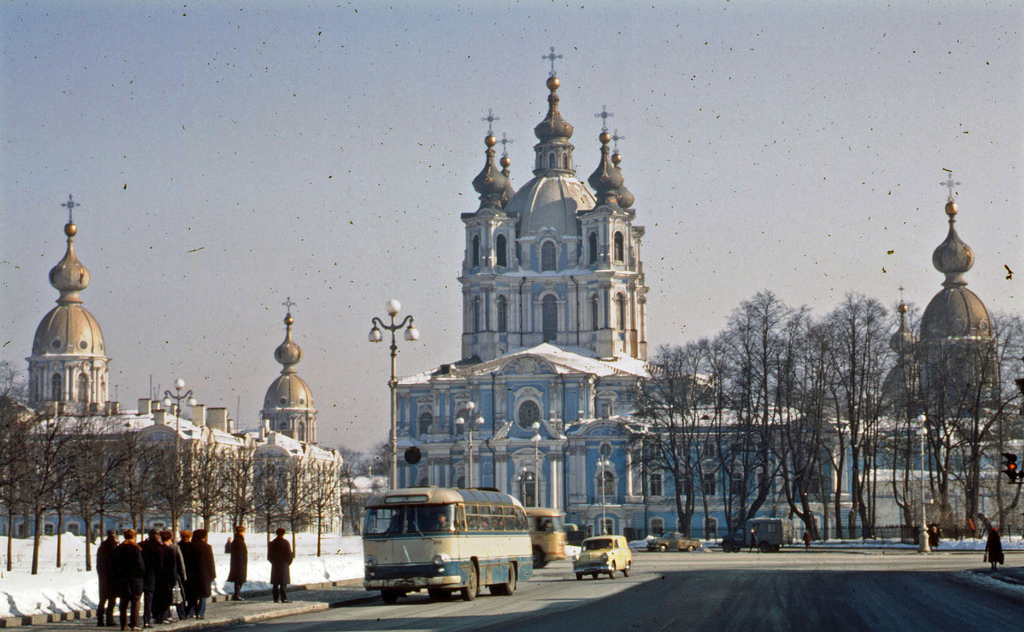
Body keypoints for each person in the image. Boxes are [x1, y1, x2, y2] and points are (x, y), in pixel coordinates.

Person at [116, 529, 145, 631]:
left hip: (122, 579)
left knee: (123, 603)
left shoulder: (119, 548)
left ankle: (123, 625)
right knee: (135, 602)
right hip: (134, 579)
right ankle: (135, 624)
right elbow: (140, 565)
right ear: (134, 536)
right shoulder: (136, 549)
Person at [154, 531, 184, 624]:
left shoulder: (157, 548)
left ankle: (161, 616)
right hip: (170, 577)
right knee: (173, 597)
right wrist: (181, 576)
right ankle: (173, 615)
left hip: (159, 577)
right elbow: (179, 564)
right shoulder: (173, 548)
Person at [139, 529, 164, 628]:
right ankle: (147, 620)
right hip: (152, 576)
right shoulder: (158, 548)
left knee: (136, 600)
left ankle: (135, 620)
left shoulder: (141, 545)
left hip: (140, 575)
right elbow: (160, 565)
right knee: (148, 599)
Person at [189, 529, 216, 619]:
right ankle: (200, 612)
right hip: (204, 574)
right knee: (203, 595)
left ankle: (191, 612)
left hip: (192, 574)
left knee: (193, 594)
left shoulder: (191, 546)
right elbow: (210, 562)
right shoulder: (207, 547)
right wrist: (212, 574)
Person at [96, 529, 119, 627]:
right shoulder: (115, 548)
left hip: (103, 577)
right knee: (112, 600)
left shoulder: (102, 547)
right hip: (112, 577)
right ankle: (109, 619)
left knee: (102, 600)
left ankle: (100, 620)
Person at [268, 528, 293, 603]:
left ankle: (275, 598)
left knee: (275, 582)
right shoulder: (285, 543)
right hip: (283, 564)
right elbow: (289, 555)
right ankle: (284, 598)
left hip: (275, 564)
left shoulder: (272, 543)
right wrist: (288, 562)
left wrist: (273, 562)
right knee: (283, 582)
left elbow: (269, 556)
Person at [227, 525, 248, 601]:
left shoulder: (236, 540)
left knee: (238, 580)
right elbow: (240, 554)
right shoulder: (240, 541)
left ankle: (237, 594)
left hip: (237, 563)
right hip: (240, 563)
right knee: (239, 579)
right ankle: (237, 594)